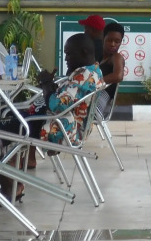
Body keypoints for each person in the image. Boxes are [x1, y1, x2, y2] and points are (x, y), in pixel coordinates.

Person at [24, 33, 103, 169]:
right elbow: (67, 98)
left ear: (84, 52)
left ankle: (3, 165)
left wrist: (46, 83)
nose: (66, 58)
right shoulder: (93, 71)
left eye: (69, 54)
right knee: (21, 116)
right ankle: (26, 158)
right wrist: (52, 87)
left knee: (9, 122)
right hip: (69, 125)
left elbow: (56, 105)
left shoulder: (85, 75)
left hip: (63, 129)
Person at [97, 21, 125, 118]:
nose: (113, 44)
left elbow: (118, 76)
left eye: (117, 41)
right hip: (93, 98)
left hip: (98, 103)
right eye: (109, 40)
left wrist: (95, 83)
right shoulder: (100, 58)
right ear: (103, 38)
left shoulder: (116, 57)